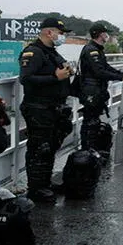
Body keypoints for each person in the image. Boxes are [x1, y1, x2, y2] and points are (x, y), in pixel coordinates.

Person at [19, 17, 74, 204]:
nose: (62, 36)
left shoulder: (52, 53)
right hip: (38, 107)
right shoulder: (33, 52)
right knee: (39, 148)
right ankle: (35, 188)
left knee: (50, 146)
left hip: (53, 107)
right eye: (60, 33)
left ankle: (45, 182)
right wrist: (54, 77)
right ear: (49, 32)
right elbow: (26, 79)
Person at [77, 23, 123, 151]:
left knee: (94, 120)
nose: (107, 35)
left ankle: (92, 149)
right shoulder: (91, 50)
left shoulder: (98, 49)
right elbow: (99, 72)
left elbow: (106, 67)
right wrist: (121, 78)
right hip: (91, 90)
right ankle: (87, 151)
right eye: (105, 33)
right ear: (99, 34)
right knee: (90, 122)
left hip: (97, 89)